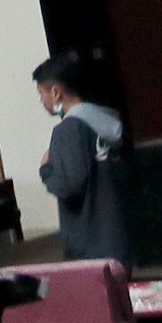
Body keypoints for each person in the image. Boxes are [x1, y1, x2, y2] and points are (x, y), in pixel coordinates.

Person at [33, 54, 133, 266]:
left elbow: (69, 185)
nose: (41, 100)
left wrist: (46, 170)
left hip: (90, 244)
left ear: (56, 92)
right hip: (120, 236)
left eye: (41, 92)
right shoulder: (110, 122)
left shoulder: (68, 130)